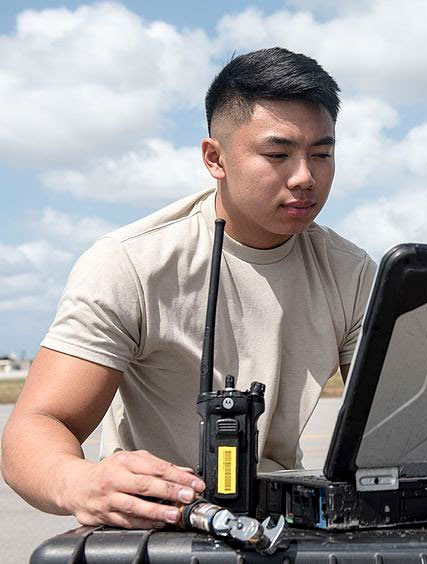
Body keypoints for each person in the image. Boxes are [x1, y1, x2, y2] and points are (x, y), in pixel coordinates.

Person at [1, 47, 376, 530]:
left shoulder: (352, 272)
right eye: (278, 154)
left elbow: (393, 426)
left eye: (322, 154)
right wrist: (80, 483)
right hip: (154, 527)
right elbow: (35, 427)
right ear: (214, 158)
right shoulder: (131, 263)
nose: (305, 177)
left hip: (287, 531)